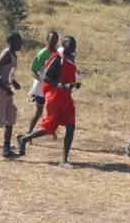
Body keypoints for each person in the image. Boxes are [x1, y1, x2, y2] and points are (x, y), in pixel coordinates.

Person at [18, 36, 81, 169]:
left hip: (66, 98)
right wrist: (61, 85)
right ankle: (24, 139)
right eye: (71, 43)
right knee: (48, 128)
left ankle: (64, 160)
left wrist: (74, 84)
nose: (74, 46)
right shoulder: (58, 58)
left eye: (74, 43)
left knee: (71, 126)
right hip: (55, 97)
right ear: (64, 45)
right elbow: (46, 77)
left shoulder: (70, 59)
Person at [26, 31, 59, 141]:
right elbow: (33, 70)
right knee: (39, 112)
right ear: (47, 39)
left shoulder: (57, 53)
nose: (54, 41)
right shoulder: (42, 54)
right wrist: (41, 80)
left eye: (56, 39)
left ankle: (51, 131)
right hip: (41, 88)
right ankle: (28, 134)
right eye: (52, 39)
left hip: (52, 87)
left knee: (51, 110)